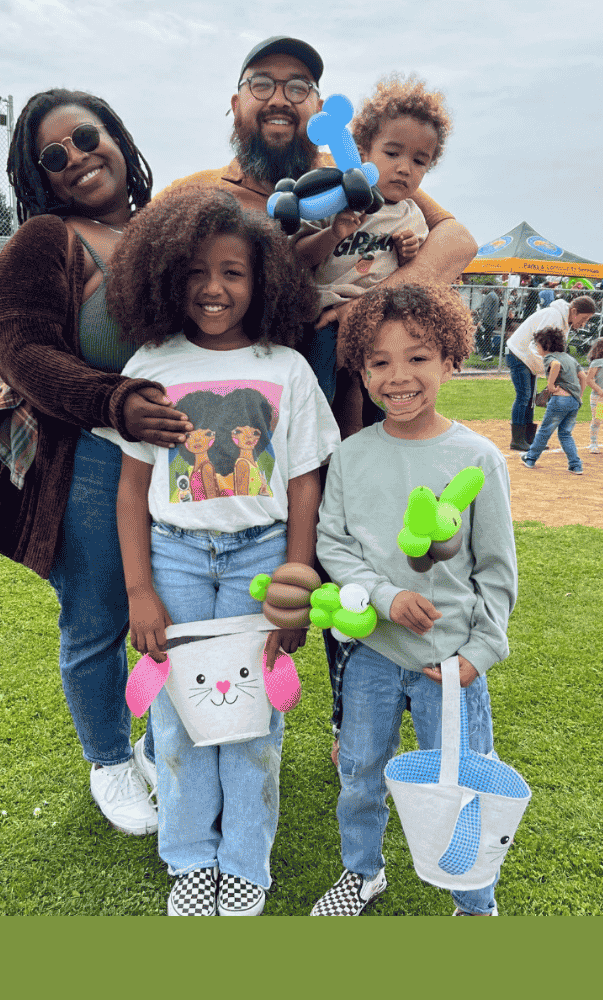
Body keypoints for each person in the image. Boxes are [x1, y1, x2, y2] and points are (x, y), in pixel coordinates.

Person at [95, 186, 341, 915]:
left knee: (252, 719)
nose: (214, 287)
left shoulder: (286, 369)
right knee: (177, 718)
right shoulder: (152, 364)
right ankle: (189, 856)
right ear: (169, 276)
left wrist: (293, 584)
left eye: (233, 271)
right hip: (173, 557)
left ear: (261, 278)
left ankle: (243, 860)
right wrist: (139, 589)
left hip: (259, 559)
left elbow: (303, 487)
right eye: (198, 271)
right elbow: (131, 489)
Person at [0, 89, 195, 837]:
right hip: (96, 460)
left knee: (179, 609)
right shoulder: (44, 239)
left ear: (115, 137)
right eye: (54, 155)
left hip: (185, 461)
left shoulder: (165, 227)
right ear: (39, 175)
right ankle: (108, 760)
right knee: (100, 618)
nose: (76, 158)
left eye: (85, 137)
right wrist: (114, 402)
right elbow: (22, 353)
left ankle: (153, 744)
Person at [312, 283, 517, 917]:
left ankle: (474, 898)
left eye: (418, 356)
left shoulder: (478, 457)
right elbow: (333, 545)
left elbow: (497, 567)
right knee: (360, 775)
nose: (398, 376)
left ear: (452, 358)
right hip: (372, 653)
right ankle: (362, 872)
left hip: (449, 667)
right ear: (361, 369)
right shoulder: (349, 455)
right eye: (379, 361)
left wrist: (479, 652)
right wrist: (385, 595)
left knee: (463, 782)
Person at [159, 36, 478, 437]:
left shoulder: (351, 175)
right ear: (237, 104)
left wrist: (367, 307)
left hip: (332, 358)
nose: (280, 99)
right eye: (261, 84)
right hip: (233, 410)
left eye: (298, 87)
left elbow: (457, 241)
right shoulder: (196, 191)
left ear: (319, 110)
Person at [293, 74, 453, 401]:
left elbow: (410, 276)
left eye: (419, 160)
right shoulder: (336, 199)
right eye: (393, 153)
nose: (404, 168)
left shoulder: (412, 217)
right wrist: (332, 233)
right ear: (364, 150)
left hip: (378, 321)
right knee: (320, 395)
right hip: (324, 316)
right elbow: (299, 256)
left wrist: (407, 252)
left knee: (379, 395)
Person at [505, 294, 596, 452]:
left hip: (530, 359)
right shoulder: (554, 317)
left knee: (531, 399)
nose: (584, 323)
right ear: (574, 311)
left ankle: (528, 438)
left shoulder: (565, 322)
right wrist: (550, 377)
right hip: (519, 354)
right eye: (584, 318)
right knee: (524, 396)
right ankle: (517, 440)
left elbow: (555, 352)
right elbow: (537, 346)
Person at [519, 328, 586, 474]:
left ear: (546, 345)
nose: (537, 348)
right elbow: (583, 377)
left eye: (538, 345)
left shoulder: (550, 357)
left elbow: (555, 365)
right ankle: (576, 465)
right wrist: (579, 395)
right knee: (565, 433)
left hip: (560, 400)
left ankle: (530, 459)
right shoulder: (570, 358)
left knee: (545, 431)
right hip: (574, 402)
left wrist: (550, 385)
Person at [586, 338, 603, 453]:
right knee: (598, 419)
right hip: (599, 397)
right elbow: (589, 380)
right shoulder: (597, 362)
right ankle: (593, 443)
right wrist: (600, 391)